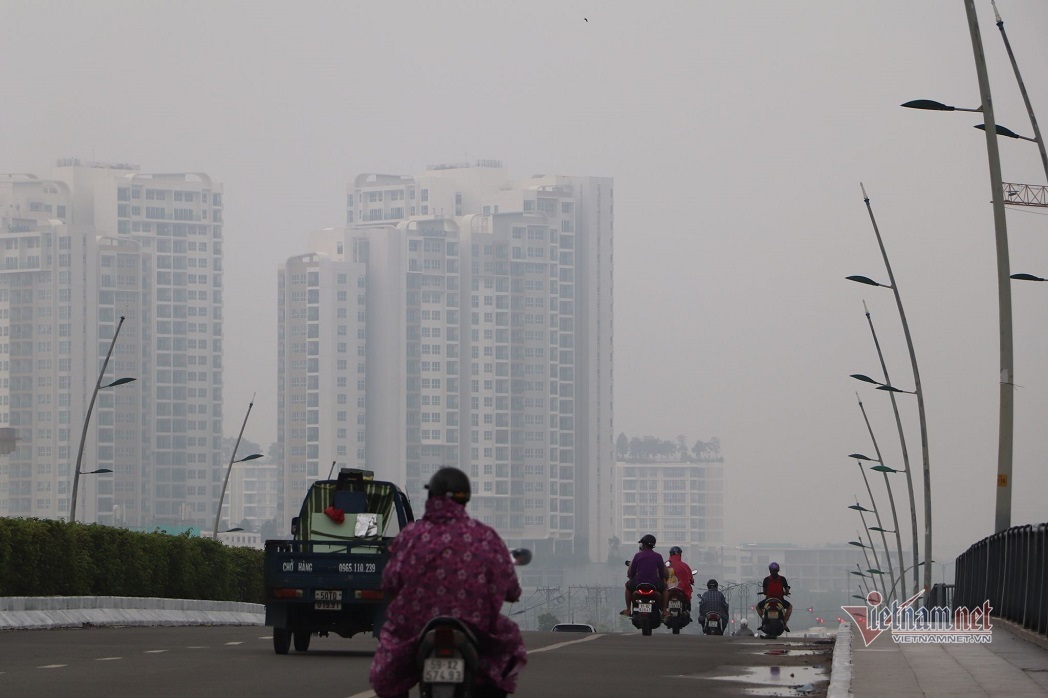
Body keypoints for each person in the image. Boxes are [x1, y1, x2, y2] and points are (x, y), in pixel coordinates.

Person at [369, 467, 526, 698]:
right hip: (476, 625)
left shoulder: (412, 535)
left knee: (389, 676)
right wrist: (511, 593)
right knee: (503, 655)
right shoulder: (485, 536)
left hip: (413, 626)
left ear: (432, 496)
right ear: (466, 498)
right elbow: (509, 583)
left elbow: (390, 581)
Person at [621, 534, 670, 618]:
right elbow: (662, 572)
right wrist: (663, 580)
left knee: (627, 586)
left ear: (643, 544)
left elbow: (632, 572)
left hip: (638, 582)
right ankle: (665, 611)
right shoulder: (658, 556)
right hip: (654, 583)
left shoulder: (637, 556)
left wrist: (631, 579)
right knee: (665, 589)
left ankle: (628, 609)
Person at [757, 561, 793, 633]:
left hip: (768, 600)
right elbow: (787, 589)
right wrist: (786, 592)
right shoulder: (782, 579)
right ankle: (784, 623)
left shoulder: (766, 579)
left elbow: (764, 591)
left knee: (758, 607)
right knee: (790, 607)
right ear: (778, 570)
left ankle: (763, 620)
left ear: (769, 570)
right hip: (780, 600)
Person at [666, 546, 694, 611]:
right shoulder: (685, 565)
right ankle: (687, 610)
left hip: (668, 590)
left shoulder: (666, 565)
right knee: (687, 601)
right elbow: (690, 578)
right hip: (682, 590)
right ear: (680, 555)